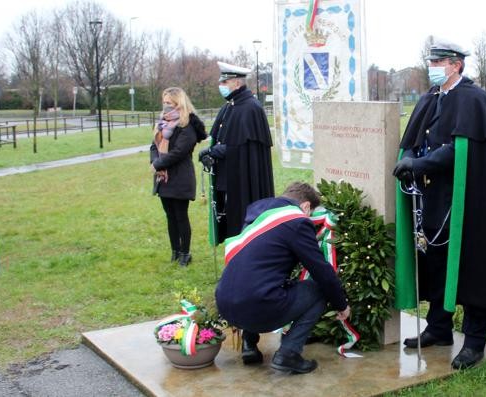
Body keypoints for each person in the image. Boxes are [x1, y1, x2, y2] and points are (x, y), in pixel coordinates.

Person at [392, 39, 486, 370]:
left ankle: (474, 340)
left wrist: (420, 165)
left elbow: (457, 150)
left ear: (456, 64)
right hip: (434, 200)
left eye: (439, 62)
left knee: (472, 266)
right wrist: (407, 158)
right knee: (436, 262)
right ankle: (439, 327)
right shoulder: (430, 98)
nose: (433, 67)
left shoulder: (474, 100)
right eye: (431, 61)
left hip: (468, 201)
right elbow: (414, 139)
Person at [215, 182, 351, 375]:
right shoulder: (297, 221)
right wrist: (341, 304)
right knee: (320, 290)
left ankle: (249, 344)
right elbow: (322, 272)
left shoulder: (258, 214)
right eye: (310, 213)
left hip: (225, 305)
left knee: (257, 280)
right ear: (305, 207)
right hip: (257, 308)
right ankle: (289, 354)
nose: (310, 218)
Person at [198, 62, 274, 244]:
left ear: (237, 83)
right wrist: (211, 152)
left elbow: (243, 148)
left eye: (225, 82)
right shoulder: (230, 106)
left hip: (244, 178)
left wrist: (216, 151)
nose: (221, 86)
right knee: (227, 217)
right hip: (227, 176)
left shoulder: (251, 108)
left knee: (240, 219)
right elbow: (224, 139)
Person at [150, 87, 207, 266]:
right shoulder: (163, 123)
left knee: (181, 216)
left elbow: (179, 152)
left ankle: (185, 253)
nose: (166, 106)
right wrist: (154, 162)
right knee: (170, 216)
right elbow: (154, 146)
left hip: (180, 177)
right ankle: (175, 250)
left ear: (179, 103)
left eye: (170, 103)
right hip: (164, 178)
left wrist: (158, 164)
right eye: (164, 102)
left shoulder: (187, 125)